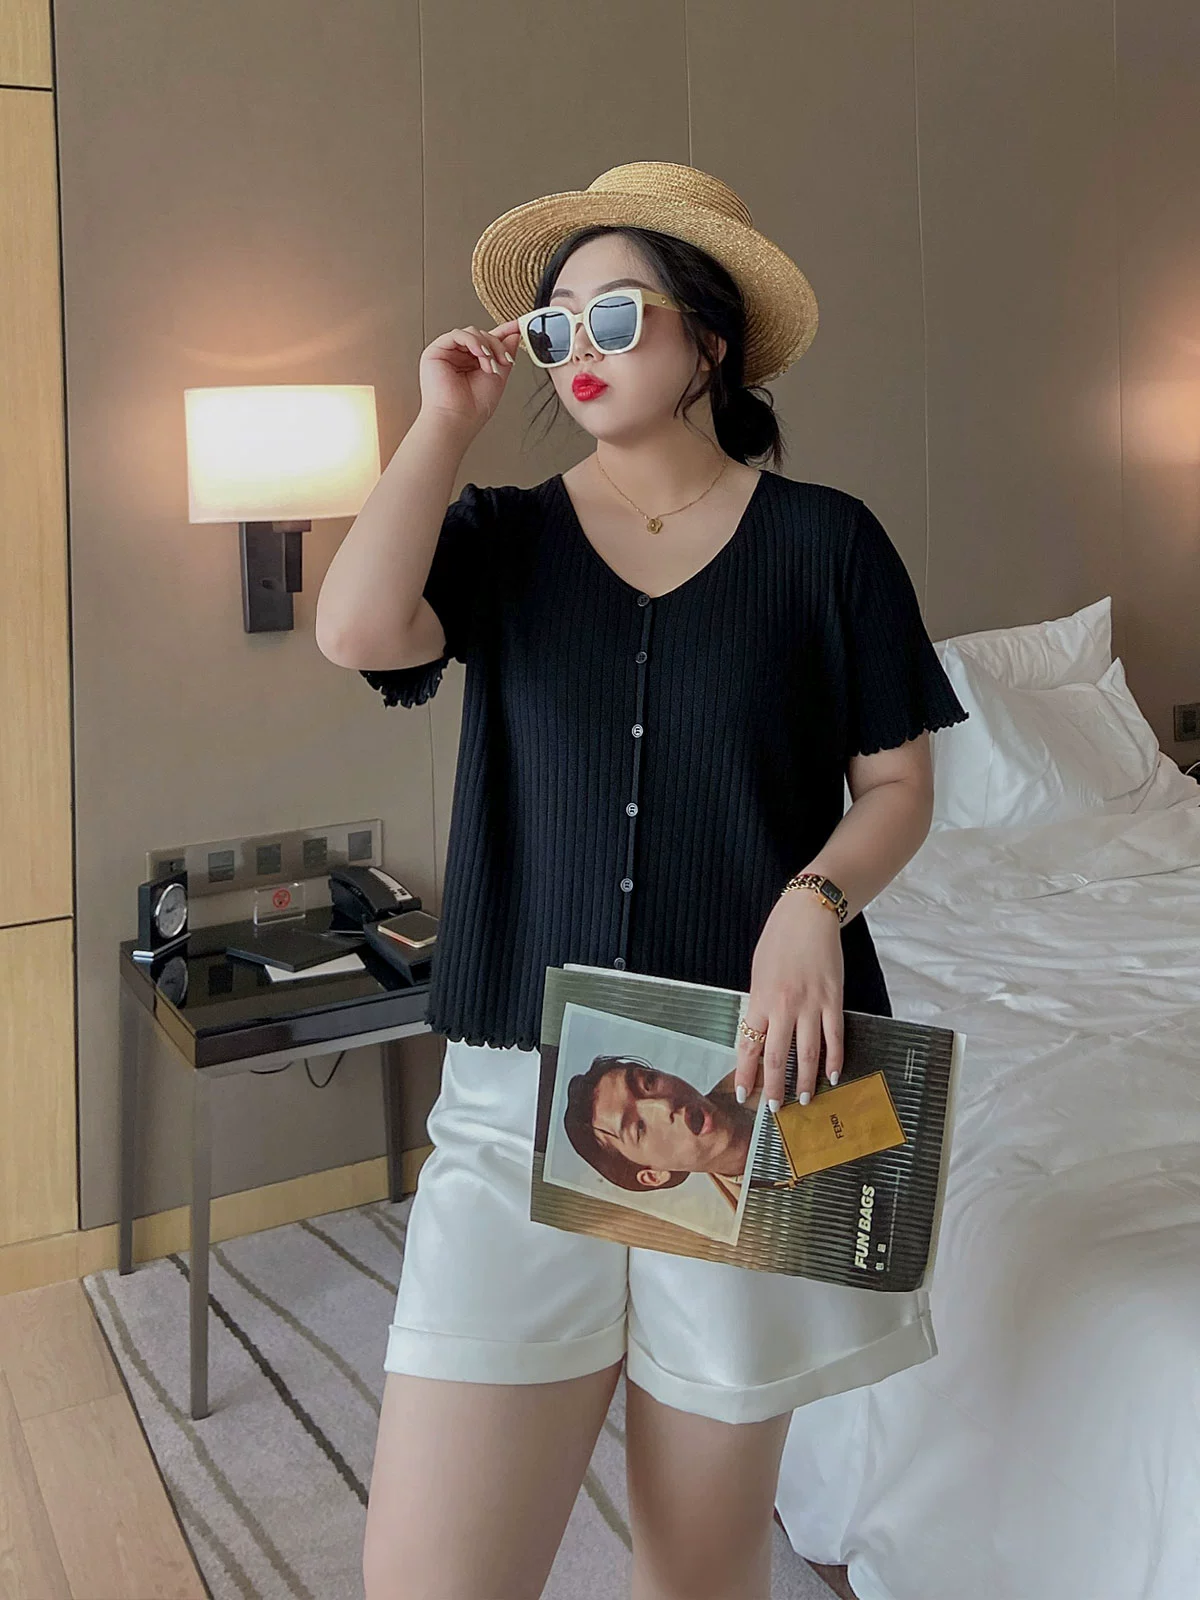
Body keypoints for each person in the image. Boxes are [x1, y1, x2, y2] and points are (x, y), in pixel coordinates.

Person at [316, 160, 969, 1600]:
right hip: (517, 1093)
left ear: (708, 342)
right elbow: (356, 630)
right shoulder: (501, 538)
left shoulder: (827, 543)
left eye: (617, 316)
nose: (579, 350)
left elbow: (898, 787)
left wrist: (812, 904)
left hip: (749, 1092)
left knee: (700, 1567)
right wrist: (444, 420)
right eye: (557, 327)